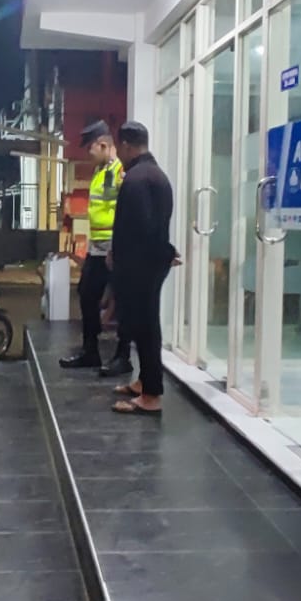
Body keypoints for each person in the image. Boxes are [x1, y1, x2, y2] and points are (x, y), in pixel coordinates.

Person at [106, 121, 177, 415]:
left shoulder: (136, 179)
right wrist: (166, 252)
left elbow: (141, 228)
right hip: (151, 262)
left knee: (145, 328)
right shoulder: (157, 175)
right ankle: (144, 382)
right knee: (144, 325)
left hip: (140, 266)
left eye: (118, 147)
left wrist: (119, 257)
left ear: (125, 145)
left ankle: (151, 396)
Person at [60, 120, 134, 377]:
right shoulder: (101, 171)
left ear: (103, 145)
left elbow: (126, 210)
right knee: (86, 293)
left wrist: (119, 246)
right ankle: (90, 351)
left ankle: (123, 357)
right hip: (98, 248)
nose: (87, 155)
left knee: (122, 300)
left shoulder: (120, 172)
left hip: (115, 248)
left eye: (90, 149)